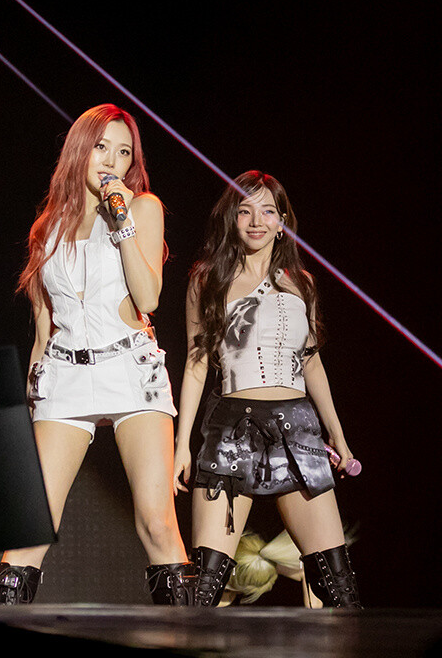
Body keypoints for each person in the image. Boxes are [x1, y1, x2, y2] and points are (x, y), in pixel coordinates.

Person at [0, 104, 194, 605]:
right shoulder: (47, 228)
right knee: (30, 528)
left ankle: (188, 637)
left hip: (130, 368)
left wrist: (121, 218)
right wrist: (29, 404)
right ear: (80, 149)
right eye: (102, 147)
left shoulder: (143, 209)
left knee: (156, 522)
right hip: (64, 375)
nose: (111, 161)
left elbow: (148, 297)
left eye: (124, 152)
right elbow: (43, 329)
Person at [173, 171, 362, 608]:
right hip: (231, 431)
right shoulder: (207, 280)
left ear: (282, 222)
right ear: (231, 219)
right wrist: (182, 445)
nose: (256, 221)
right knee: (204, 587)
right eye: (245, 210)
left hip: (297, 431)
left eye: (268, 211)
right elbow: (197, 363)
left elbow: (312, 362)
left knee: (340, 589)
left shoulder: (301, 283)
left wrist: (338, 435)